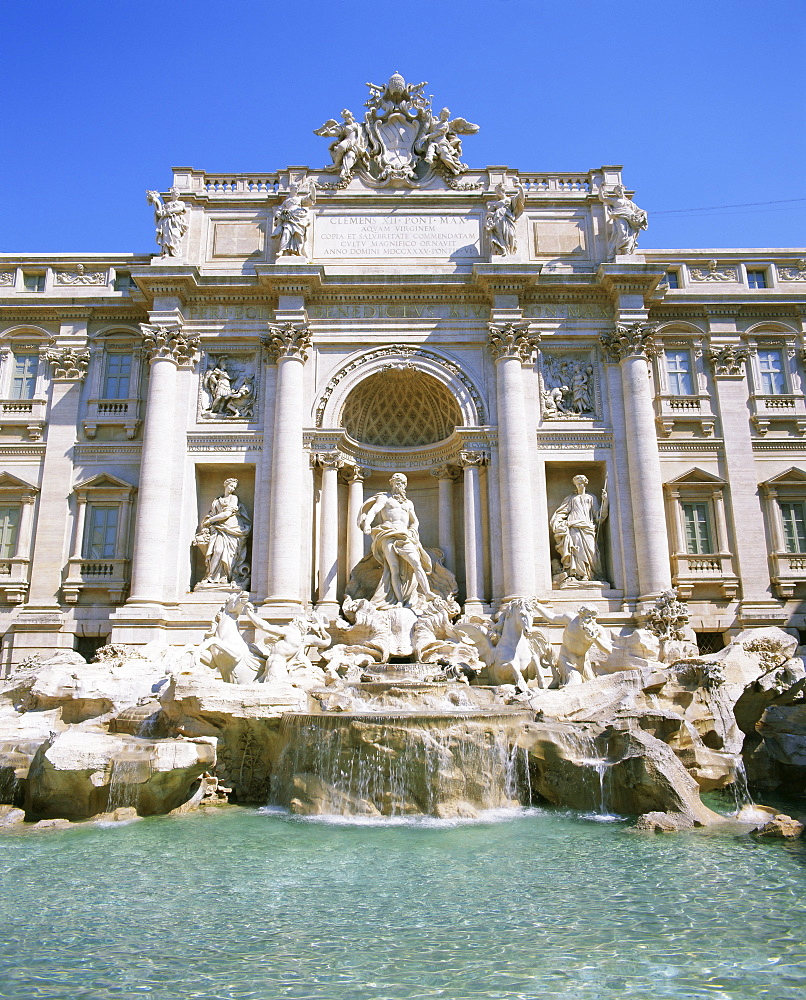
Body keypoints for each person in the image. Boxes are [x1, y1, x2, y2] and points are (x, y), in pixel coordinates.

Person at [358, 473, 437, 609]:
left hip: (405, 536)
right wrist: (367, 525)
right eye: (397, 482)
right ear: (392, 483)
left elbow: (415, 521)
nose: (400, 485)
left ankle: (427, 592)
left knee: (416, 563)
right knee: (393, 568)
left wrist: (413, 531)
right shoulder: (385, 498)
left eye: (402, 482)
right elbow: (373, 511)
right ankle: (399, 600)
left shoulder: (408, 503)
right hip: (388, 534)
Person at [530, 602, 612, 686]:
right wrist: (537, 606)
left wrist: (594, 638)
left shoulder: (598, 630)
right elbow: (552, 617)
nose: (591, 621)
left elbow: (608, 650)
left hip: (583, 661)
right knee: (575, 682)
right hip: (566, 659)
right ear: (581, 615)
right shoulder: (570, 619)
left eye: (594, 618)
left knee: (591, 685)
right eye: (588, 617)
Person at [550, 475, 608, 582]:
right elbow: (561, 512)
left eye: (581, 483)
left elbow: (599, 516)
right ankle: (580, 574)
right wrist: (559, 523)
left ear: (585, 483)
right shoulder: (571, 498)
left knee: (592, 552)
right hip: (574, 527)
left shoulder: (591, 498)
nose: (579, 486)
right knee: (577, 551)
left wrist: (605, 502)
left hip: (588, 528)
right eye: (577, 484)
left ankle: (591, 574)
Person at [195, 479, 251, 587]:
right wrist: (208, 521)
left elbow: (227, 514)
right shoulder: (217, 501)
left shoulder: (233, 498)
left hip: (231, 529)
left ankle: (225, 577)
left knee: (228, 554)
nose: (232, 489)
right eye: (231, 486)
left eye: (234, 487)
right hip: (218, 528)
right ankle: (211, 577)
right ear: (225, 485)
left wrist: (210, 520)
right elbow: (212, 513)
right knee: (217, 550)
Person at [599, 183, 647, 257]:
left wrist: (643, 214)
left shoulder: (630, 202)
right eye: (617, 191)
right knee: (622, 232)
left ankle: (626, 250)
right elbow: (602, 198)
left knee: (630, 235)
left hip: (631, 218)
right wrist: (601, 188)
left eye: (620, 190)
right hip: (620, 216)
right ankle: (620, 249)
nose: (619, 191)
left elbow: (639, 211)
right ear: (616, 192)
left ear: (623, 190)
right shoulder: (615, 200)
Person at [272, 179, 316, 256]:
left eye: (297, 188)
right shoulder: (286, 201)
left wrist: (312, 189)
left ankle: (297, 251)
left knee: (298, 235)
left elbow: (311, 198)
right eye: (295, 188)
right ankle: (283, 250)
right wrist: (280, 214)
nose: (296, 189)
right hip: (288, 218)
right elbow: (279, 210)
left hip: (298, 218)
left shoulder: (300, 199)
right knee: (286, 233)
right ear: (291, 189)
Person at [484, 180, 526, 255]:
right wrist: (489, 216)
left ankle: (511, 252)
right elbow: (489, 213)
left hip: (508, 220)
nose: (497, 192)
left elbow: (521, 199)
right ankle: (503, 250)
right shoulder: (495, 204)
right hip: (497, 220)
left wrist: (520, 187)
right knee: (500, 236)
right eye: (496, 191)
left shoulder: (510, 199)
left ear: (502, 190)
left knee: (511, 235)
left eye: (498, 190)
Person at [146, 187, 189, 257]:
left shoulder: (180, 203)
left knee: (175, 236)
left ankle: (175, 252)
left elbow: (180, 208)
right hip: (167, 222)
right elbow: (160, 212)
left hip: (175, 222)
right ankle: (166, 252)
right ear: (172, 194)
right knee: (166, 236)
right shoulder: (167, 204)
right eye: (175, 193)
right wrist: (155, 201)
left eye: (177, 193)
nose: (176, 194)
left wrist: (170, 211)